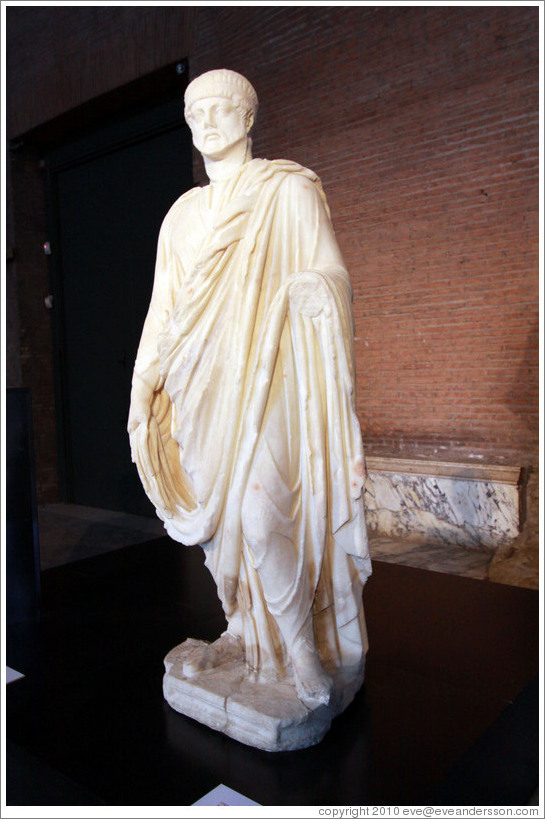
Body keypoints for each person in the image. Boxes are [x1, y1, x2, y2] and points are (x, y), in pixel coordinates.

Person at [128, 69, 371, 708]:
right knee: (220, 528)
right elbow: (164, 307)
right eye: (195, 111)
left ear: (248, 116)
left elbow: (332, 273)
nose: (207, 121)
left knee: (262, 517)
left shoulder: (286, 192)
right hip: (198, 384)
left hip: (269, 382)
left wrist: (309, 290)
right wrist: (143, 381)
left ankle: (299, 654)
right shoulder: (181, 216)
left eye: (220, 108)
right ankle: (243, 633)